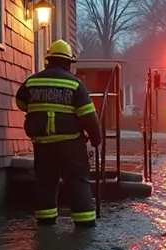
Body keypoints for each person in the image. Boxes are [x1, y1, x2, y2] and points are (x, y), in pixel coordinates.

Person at [14, 39, 102, 228]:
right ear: (68, 62)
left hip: (42, 145)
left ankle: (45, 222)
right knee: (77, 182)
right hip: (70, 145)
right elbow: (88, 116)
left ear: (48, 60)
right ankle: (85, 225)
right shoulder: (75, 85)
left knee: (44, 182)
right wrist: (96, 138)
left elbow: (21, 103)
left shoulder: (32, 81)